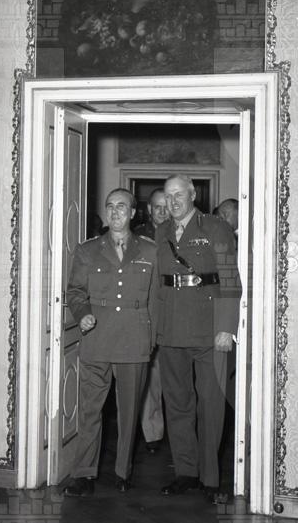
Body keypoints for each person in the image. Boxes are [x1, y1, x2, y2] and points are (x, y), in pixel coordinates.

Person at [64, 188, 158, 497]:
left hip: (134, 338)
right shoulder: (88, 249)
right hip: (98, 337)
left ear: (133, 213)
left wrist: (151, 338)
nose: (115, 211)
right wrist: (83, 315)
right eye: (110, 206)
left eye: (121, 206)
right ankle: (83, 474)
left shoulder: (150, 251)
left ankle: (122, 471)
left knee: (129, 411)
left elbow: (156, 299)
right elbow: (75, 291)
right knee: (90, 410)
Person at [155, 175, 240, 504]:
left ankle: (210, 477)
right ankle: (185, 473)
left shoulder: (215, 227)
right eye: (168, 196)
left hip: (209, 329)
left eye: (179, 194)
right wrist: (155, 328)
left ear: (193, 195)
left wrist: (226, 327)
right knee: (177, 404)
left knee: (211, 404)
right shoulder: (161, 231)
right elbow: (157, 284)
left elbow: (230, 278)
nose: (173, 201)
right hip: (171, 327)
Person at [133, 188, 169, 453]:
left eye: (167, 206)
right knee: (150, 380)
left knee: (175, 381)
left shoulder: (182, 234)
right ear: (149, 210)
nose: (163, 212)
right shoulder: (136, 237)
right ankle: (152, 435)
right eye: (158, 207)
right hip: (145, 315)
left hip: (174, 314)